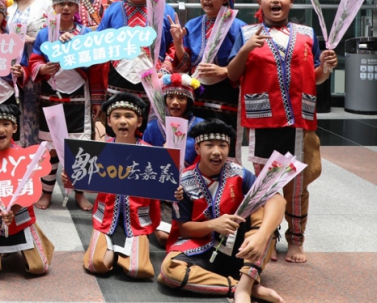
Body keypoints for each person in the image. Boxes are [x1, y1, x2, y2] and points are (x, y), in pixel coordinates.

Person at [226, 0, 335, 264]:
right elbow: (233, 76)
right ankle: (268, 237)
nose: (275, 0)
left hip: (299, 121)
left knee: (296, 184)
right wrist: (246, 50)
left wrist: (325, 67)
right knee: (265, 183)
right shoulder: (247, 33)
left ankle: (296, 239)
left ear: (290, 1)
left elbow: (315, 78)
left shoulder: (307, 34)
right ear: (259, 2)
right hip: (263, 120)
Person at [159, 120, 285, 303]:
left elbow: (277, 199)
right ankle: (242, 287)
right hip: (202, 247)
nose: (216, 151)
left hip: (242, 248)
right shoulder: (184, 180)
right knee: (169, 271)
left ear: (229, 149)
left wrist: (262, 235)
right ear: (197, 149)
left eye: (222, 145)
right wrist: (212, 225)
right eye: (209, 145)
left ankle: (244, 288)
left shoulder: (239, 173)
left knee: (262, 212)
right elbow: (184, 229)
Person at [29, 0, 105, 210]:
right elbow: (34, 60)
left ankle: (79, 195)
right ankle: (46, 193)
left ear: (77, 7)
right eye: (61, 3)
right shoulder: (44, 33)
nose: (65, 7)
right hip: (50, 97)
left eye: (71, 3)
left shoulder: (87, 35)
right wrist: (42, 69)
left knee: (79, 150)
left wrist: (98, 101)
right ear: (53, 6)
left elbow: (97, 68)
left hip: (79, 99)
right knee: (49, 150)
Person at [73, 93, 161, 279]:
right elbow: (90, 186)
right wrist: (73, 178)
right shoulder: (100, 151)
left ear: (139, 122)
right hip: (106, 217)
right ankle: (112, 249)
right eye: (117, 116)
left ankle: (126, 251)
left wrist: (174, 192)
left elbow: (160, 191)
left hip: (136, 220)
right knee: (97, 266)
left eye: (129, 116)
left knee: (138, 270)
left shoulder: (152, 154)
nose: (123, 121)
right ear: (109, 122)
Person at [0, 104, 55, 277]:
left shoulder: (25, 156)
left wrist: (13, 210)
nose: (1, 130)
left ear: (14, 127)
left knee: (39, 267)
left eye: (6, 124)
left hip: (20, 216)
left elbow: (30, 191)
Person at [170, 0, 246, 160]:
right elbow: (184, 65)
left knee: (224, 140)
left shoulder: (239, 27)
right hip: (198, 94)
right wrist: (178, 44)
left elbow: (247, 64)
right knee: (198, 139)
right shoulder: (192, 24)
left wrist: (226, 70)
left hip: (226, 93)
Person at [97, 0, 177, 104]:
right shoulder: (113, 10)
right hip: (117, 82)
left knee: (151, 126)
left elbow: (175, 46)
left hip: (155, 80)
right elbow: (99, 42)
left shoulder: (165, 10)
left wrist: (165, 70)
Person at [141, 73, 203, 246]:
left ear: (189, 101)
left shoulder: (200, 126)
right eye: (171, 97)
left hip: (191, 190)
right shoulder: (154, 127)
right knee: (163, 237)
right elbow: (144, 160)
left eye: (181, 98)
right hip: (160, 191)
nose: (175, 102)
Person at [5, 0, 52, 147]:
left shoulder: (46, 2)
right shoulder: (7, 6)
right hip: (10, 66)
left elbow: (55, 32)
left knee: (35, 113)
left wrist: (33, 40)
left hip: (36, 63)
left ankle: (36, 159)